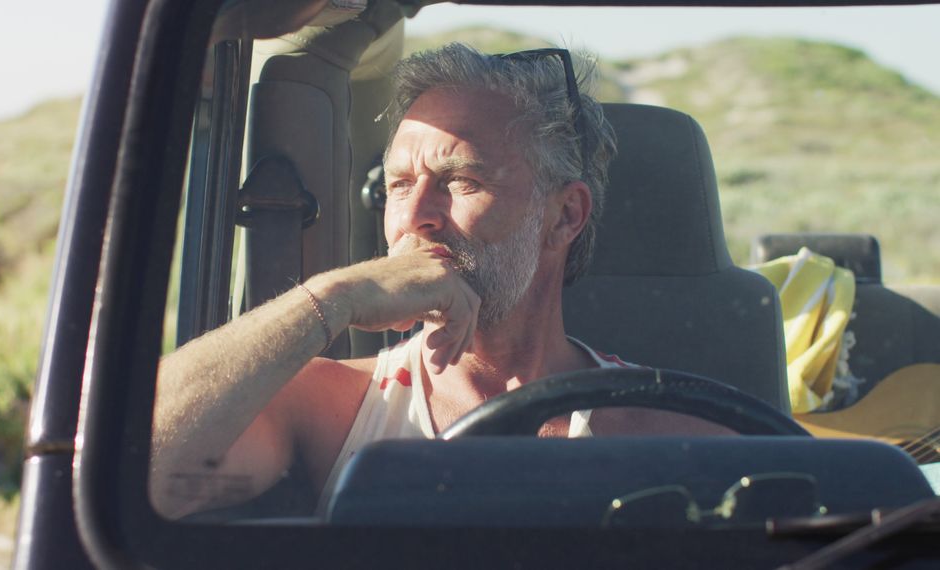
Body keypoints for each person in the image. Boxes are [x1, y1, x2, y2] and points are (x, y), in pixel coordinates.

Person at [150, 43, 731, 520]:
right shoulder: (333, 405)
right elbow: (109, 472)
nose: (416, 216)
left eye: (461, 180)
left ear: (565, 216)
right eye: (399, 186)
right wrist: (333, 297)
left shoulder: (671, 426)